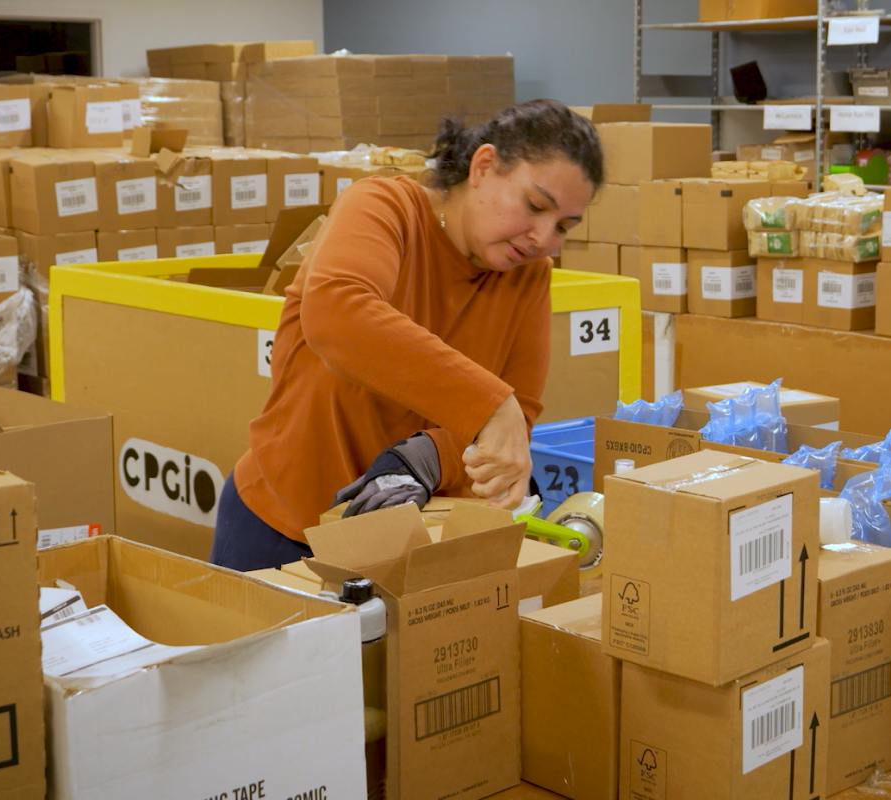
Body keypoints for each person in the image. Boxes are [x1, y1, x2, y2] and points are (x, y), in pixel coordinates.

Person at [210, 99, 604, 572]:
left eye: (563, 226)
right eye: (535, 206)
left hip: (409, 538)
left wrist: (424, 460)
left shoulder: (529, 277)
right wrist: (491, 405)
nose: (544, 238)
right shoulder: (384, 207)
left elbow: (509, 436)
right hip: (284, 526)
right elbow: (338, 315)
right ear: (483, 166)